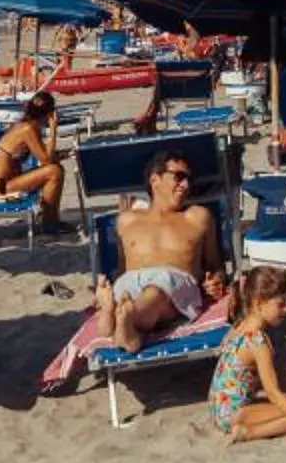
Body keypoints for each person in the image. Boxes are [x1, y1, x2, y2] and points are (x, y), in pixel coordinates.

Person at [96, 147, 226, 351]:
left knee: (157, 290)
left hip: (173, 287)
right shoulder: (126, 221)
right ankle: (124, 322)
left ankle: (124, 318)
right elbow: (122, 270)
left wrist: (216, 280)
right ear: (155, 180)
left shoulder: (197, 217)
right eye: (179, 177)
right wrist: (108, 288)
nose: (186, 185)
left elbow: (215, 265)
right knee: (126, 290)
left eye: (189, 179)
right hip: (131, 283)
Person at [209, 267, 286, 443]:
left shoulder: (240, 328)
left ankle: (245, 424)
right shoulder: (258, 342)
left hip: (219, 408)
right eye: (280, 304)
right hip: (233, 415)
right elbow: (273, 393)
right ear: (258, 303)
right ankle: (246, 433)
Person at [0, 92, 67, 230]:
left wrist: (63, 154)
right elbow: (46, 160)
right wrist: (53, 129)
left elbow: (46, 156)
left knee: (56, 169)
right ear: (48, 114)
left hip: (5, 183)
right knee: (54, 171)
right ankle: (50, 223)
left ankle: (51, 220)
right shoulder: (27, 129)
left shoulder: (25, 125)